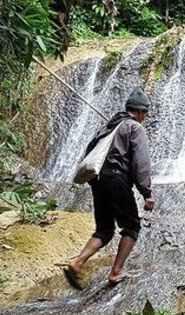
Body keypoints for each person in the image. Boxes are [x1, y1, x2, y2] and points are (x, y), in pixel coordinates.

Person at [63, 87, 155, 289]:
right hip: (115, 177)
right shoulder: (134, 127)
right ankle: (116, 271)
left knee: (105, 229)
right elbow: (141, 163)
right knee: (131, 226)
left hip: (98, 178)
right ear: (139, 111)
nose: (146, 117)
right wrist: (146, 193)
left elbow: (90, 151)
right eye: (146, 113)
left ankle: (77, 263)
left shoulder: (110, 126)